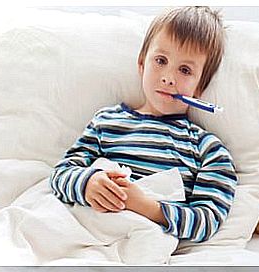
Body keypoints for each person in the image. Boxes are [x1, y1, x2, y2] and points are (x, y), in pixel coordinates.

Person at [49, 6, 237, 243]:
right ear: (142, 64)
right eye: (161, 60)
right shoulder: (106, 122)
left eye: (185, 70)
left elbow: (207, 221)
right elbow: (60, 174)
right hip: (84, 233)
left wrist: (147, 207)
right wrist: (87, 183)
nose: (168, 77)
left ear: (199, 87)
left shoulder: (208, 150)